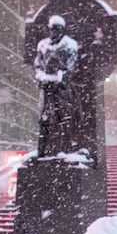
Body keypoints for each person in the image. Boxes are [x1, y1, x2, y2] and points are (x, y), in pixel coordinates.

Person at [34, 15, 78, 157]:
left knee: (64, 116)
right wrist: (42, 77)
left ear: (62, 30)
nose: (53, 32)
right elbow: (38, 65)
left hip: (61, 88)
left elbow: (70, 67)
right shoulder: (42, 45)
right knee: (44, 118)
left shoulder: (69, 45)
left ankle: (65, 148)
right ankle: (43, 150)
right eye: (52, 29)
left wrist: (60, 79)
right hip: (46, 86)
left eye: (57, 29)